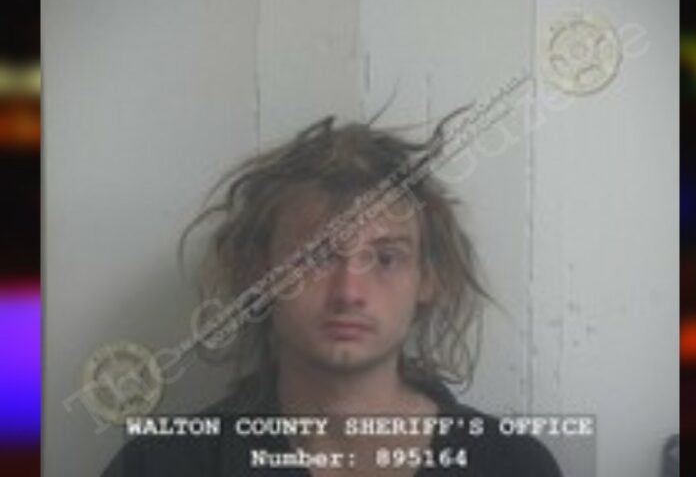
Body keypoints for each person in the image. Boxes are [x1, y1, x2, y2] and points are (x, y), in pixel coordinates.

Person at [102, 113, 563, 476]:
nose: (349, 293)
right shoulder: (160, 466)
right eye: (316, 257)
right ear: (260, 273)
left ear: (428, 278)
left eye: (386, 258)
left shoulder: (513, 466)